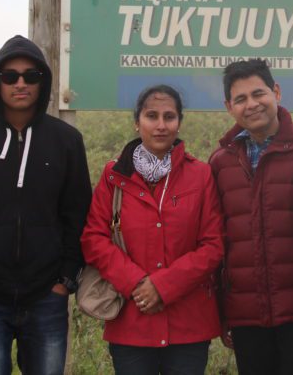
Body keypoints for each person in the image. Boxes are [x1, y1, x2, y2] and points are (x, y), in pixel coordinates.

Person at [0, 34, 92, 375]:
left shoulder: (66, 141)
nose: (20, 83)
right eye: (10, 76)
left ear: (43, 82)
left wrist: (64, 281)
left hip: (46, 299)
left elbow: (78, 215)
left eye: (31, 76)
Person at [81, 84, 224, 375]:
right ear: (137, 122)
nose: (161, 125)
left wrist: (163, 286)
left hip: (189, 324)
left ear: (179, 123)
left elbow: (213, 246)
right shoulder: (114, 176)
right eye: (151, 116)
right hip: (132, 320)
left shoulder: (201, 175)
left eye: (169, 117)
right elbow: (94, 238)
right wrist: (136, 283)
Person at [208, 59, 293, 375]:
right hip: (247, 314)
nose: (252, 104)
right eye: (241, 99)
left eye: (258, 93)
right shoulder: (221, 161)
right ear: (228, 106)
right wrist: (223, 309)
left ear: (276, 92)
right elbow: (218, 241)